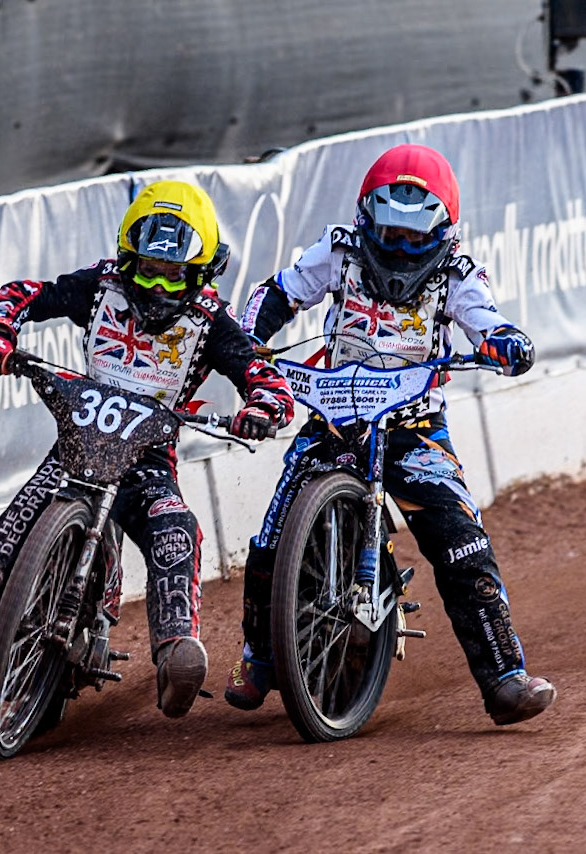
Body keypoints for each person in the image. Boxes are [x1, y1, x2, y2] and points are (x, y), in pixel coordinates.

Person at [0, 180, 295, 744]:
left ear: (201, 271)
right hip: (74, 450)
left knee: (177, 530)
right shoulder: (101, 286)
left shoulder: (211, 321)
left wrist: (264, 407)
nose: (155, 284)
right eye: (147, 266)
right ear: (128, 255)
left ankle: (177, 652)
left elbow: (262, 373)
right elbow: (22, 294)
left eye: (172, 273)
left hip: (147, 458)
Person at [224, 144, 556, 725]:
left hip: (415, 426)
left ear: (443, 231)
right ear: (365, 218)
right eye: (389, 234)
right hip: (333, 418)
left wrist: (505, 341)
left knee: (461, 541)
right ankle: (257, 659)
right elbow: (278, 292)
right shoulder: (340, 250)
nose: (399, 248)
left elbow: (488, 320)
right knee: (271, 535)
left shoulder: (459, 273)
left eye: (413, 238)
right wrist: (250, 339)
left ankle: (505, 676)